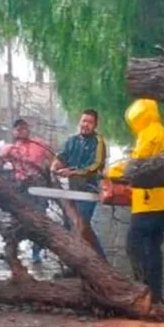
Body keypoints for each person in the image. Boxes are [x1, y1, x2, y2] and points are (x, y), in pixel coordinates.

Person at [114, 99, 164, 305]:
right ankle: (155, 295)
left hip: (150, 201)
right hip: (163, 201)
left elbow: (136, 165)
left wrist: (112, 172)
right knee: (153, 247)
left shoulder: (149, 134)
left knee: (135, 245)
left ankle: (143, 290)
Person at [51, 109, 108, 259]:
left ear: (95, 125)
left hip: (89, 191)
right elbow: (62, 157)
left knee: (81, 227)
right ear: (79, 122)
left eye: (90, 122)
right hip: (72, 190)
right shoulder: (72, 140)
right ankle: (96, 260)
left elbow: (95, 165)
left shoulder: (98, 141)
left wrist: (73, 172)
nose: (86, 125)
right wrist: (55, 165)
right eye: (84, 121)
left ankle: (94, 260)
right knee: (75, 227)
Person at [0, 118, 53, 262]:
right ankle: (11, 251)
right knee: (16, 218)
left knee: (40, 219)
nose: (21, 131)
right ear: (13, 131)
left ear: (28, 130)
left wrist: (52, 175)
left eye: (24, 128)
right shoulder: (10, 149)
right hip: (21, 186)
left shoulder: (39, 144)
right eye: (18, 129)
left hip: (38, 186)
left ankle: (36, 252)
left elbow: (53, 161)